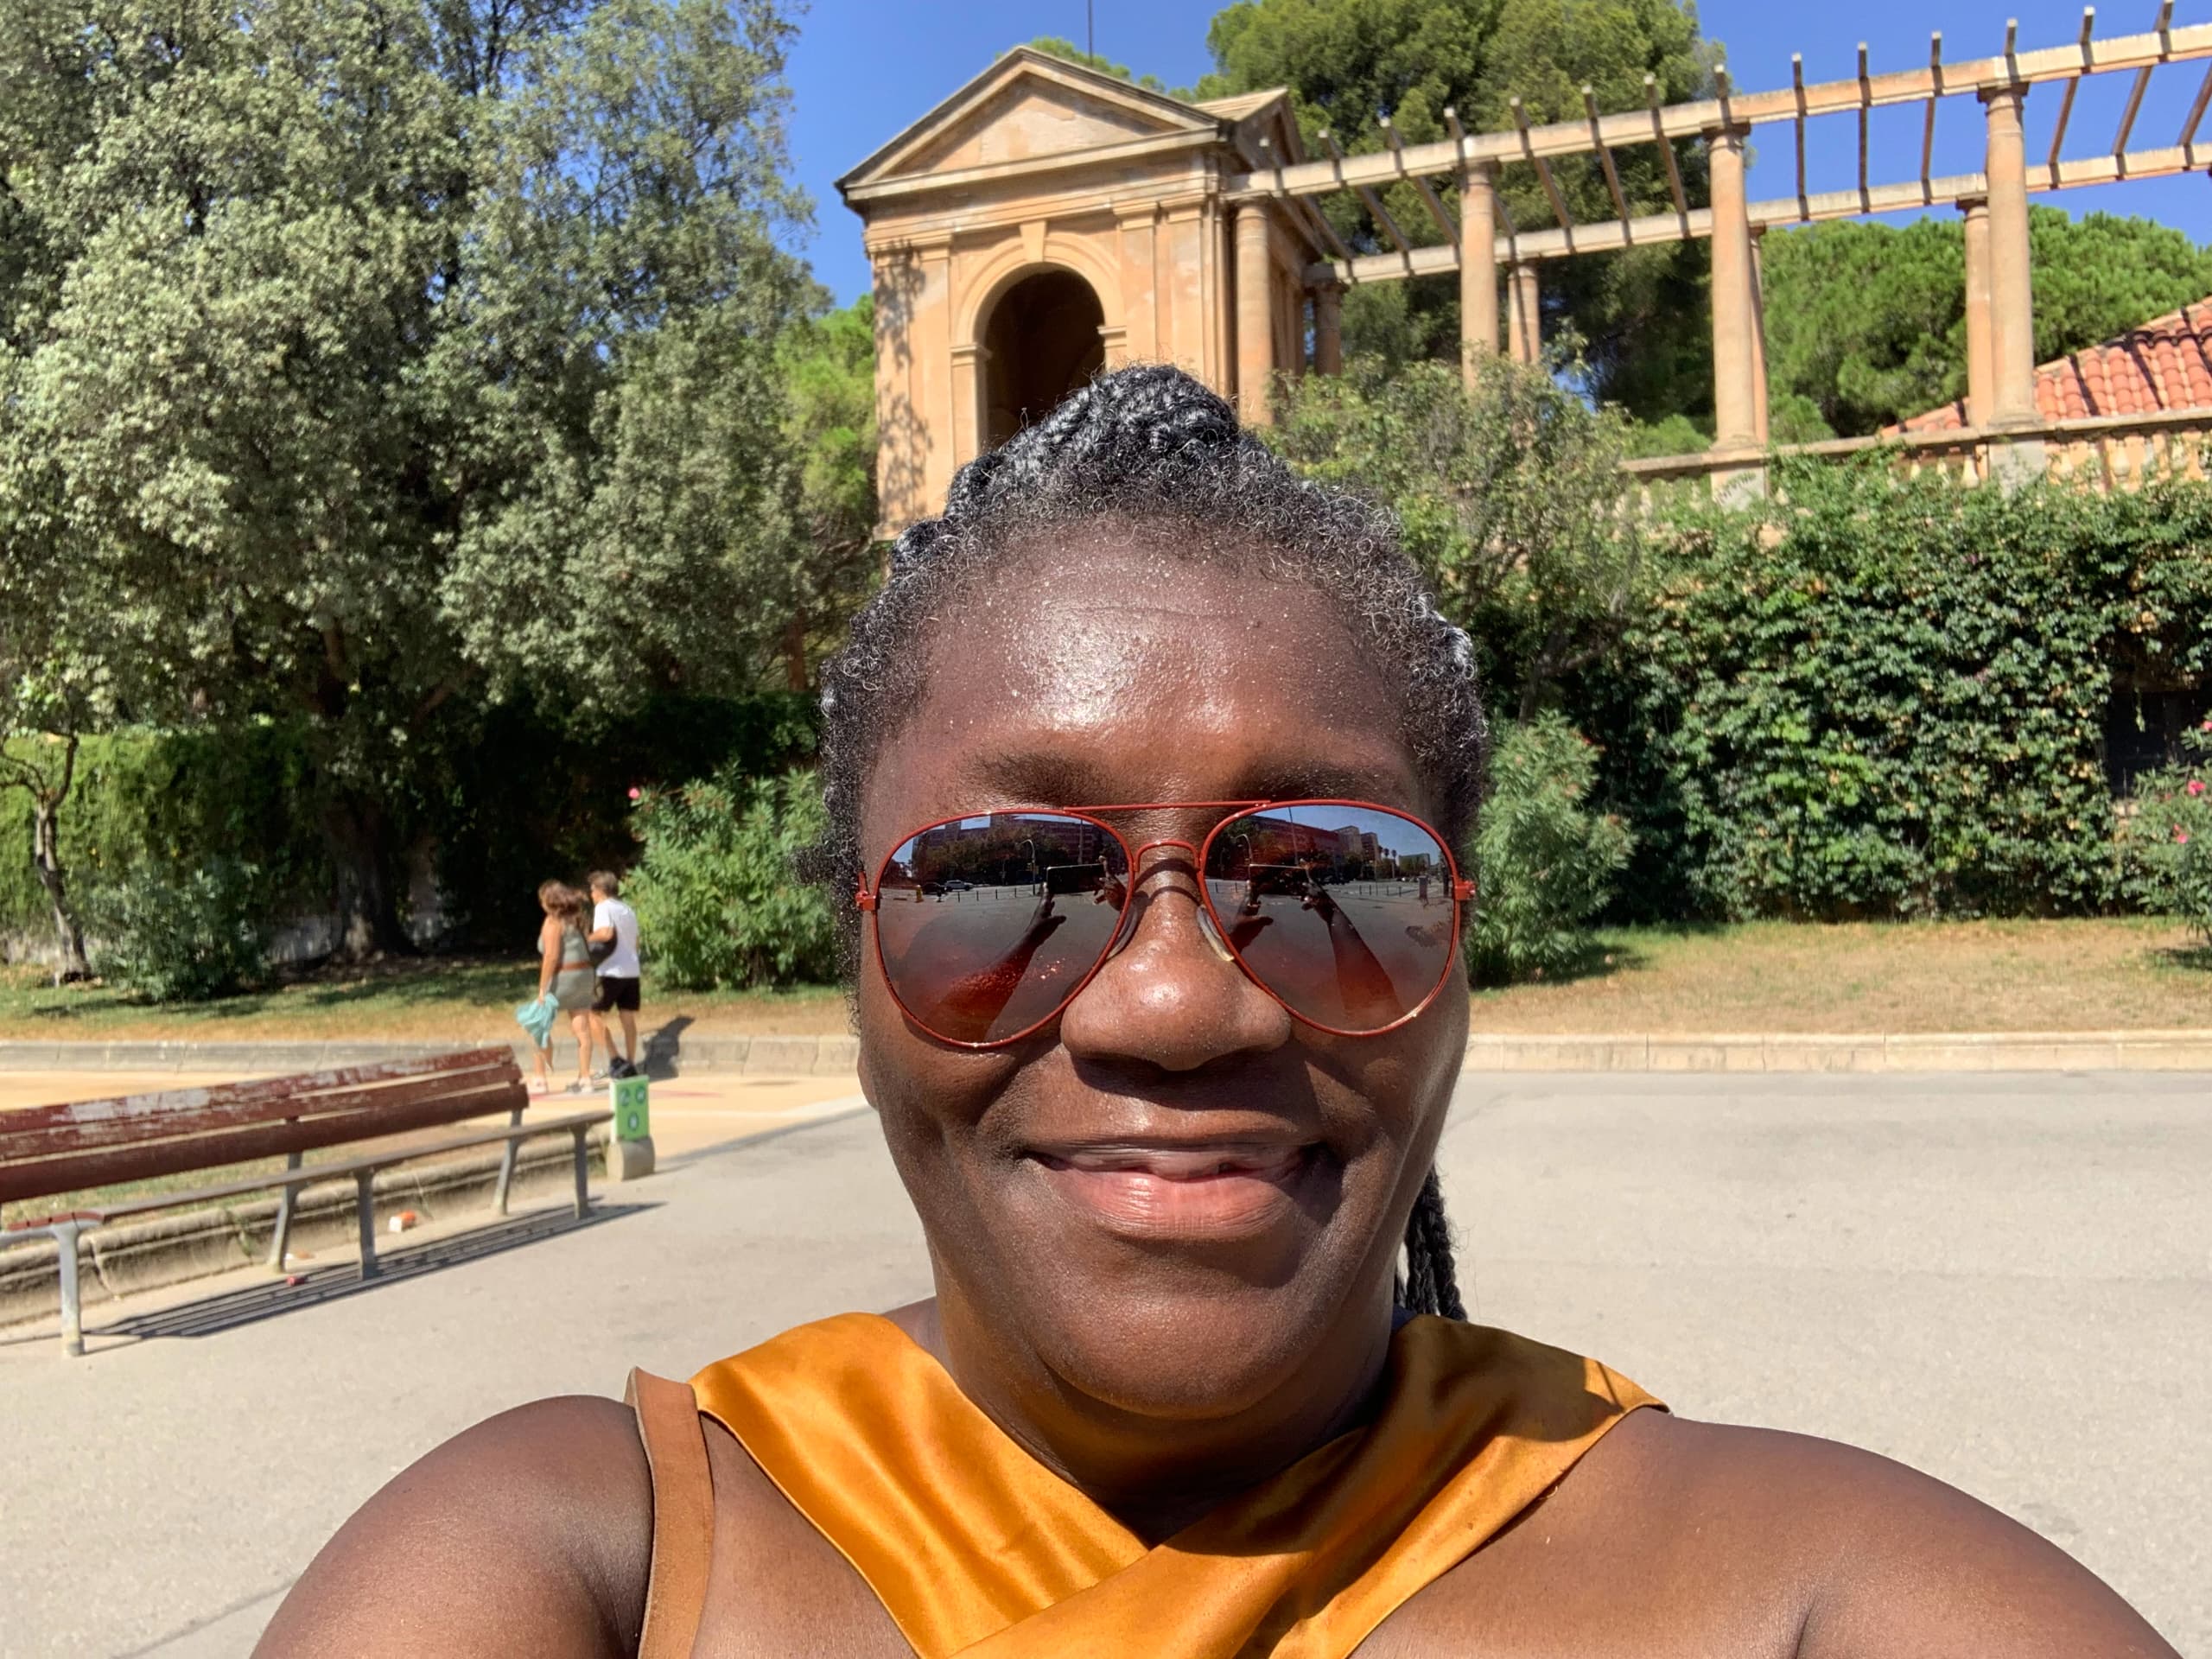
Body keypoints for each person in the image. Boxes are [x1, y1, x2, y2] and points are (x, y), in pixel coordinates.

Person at [257, 367, 2177, 1657]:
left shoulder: (1803, 1596)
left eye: (1325, 880)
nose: (1175, 1006)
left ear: (1458, 951)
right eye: (1001, 882)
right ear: (852, 959)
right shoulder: (584, 1562)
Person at [529, 880, 596, 1096]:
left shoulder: (552, 922)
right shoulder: (577, 919)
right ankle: (585, 1079)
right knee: (582, 1029)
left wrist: (542, 989)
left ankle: (540, 1078)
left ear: (548, 902)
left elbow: (551, 956)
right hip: (584, 975)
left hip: (563, 976)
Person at [586, 868, 644, 1079]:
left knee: (591, 1013)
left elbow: (606, 933)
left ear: (601, 890)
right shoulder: (627, 909)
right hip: (631, 970)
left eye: (593, 890)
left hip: (610, 970)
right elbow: (636, 942)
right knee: (627, 1016)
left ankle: (615, 1059)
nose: (591, 895)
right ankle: (630, 1062)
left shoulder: (603, 907)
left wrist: (585, 940)